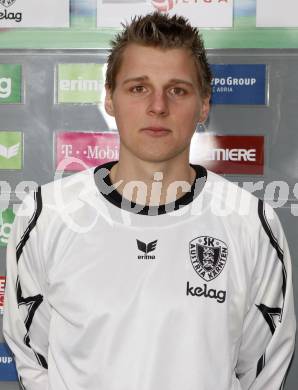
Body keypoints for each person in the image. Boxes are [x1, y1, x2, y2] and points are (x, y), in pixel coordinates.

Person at [3, 12, 296, 390]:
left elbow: (262, 367)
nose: (158, 106)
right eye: (139, 88)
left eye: (177, 89)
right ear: (109, 98)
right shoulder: (47, 215)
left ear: (204, 104)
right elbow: (32, 356)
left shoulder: (251, 222)